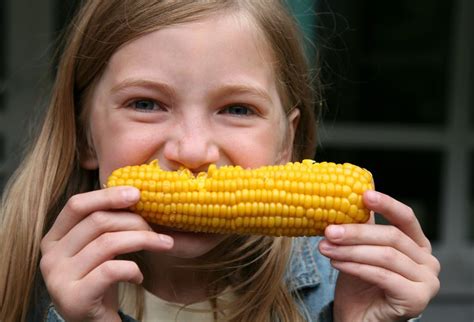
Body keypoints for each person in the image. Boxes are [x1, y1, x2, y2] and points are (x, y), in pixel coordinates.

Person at [0, 1, 440, 321]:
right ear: (85, 136)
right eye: (146, 104)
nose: (193, 152)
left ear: (284, 145)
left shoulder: (341, 280)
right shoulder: (21, 283)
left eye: (237, 110)